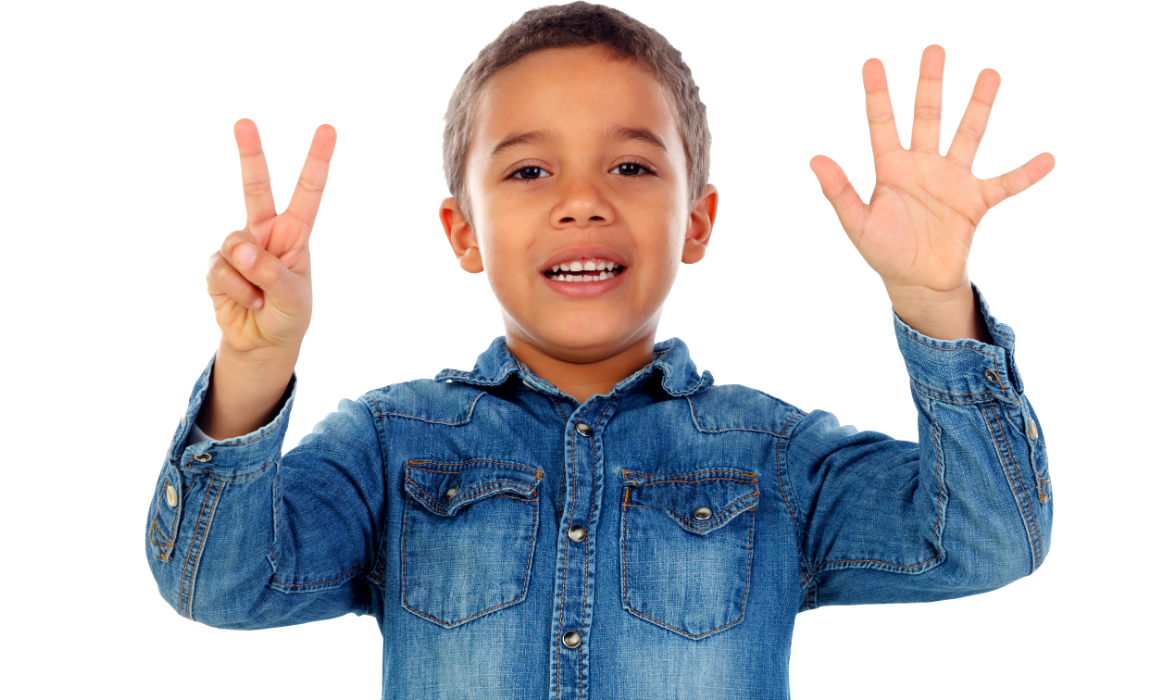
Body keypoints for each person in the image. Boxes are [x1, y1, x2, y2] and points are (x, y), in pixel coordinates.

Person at [145, 3, 1054, 697]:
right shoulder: (393, 442)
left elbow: (987, 541)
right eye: (530, 170)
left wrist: (933, 303)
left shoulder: (775, 458)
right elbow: (216, 584)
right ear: (463, 234)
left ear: (696, 221)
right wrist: (254, 369)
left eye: (630, 165)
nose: (582, 201)